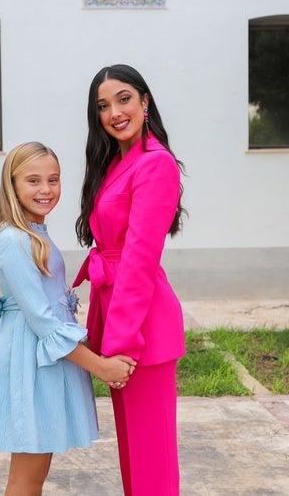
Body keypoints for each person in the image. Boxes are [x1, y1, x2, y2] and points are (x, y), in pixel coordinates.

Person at [0, 141, 137, 496]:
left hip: (45, 361)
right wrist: (100, 366)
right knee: (27, 478)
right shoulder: (13, 240)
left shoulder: (33, 233)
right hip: (32, 364)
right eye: (33, 181)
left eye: (54, 179)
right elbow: (44, 321)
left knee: (36, 473)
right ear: (12, 184)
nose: (46, 190)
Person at [73, 64, 187, 496]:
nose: (115, 112)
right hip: (117, 311)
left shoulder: (155, 165)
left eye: (124, 99)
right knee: (134, 457)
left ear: (145, 102)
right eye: (103, 105)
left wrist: (119, 344)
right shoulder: (116, 162)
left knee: (150, 458)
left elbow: (139, 260)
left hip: (141, 326)